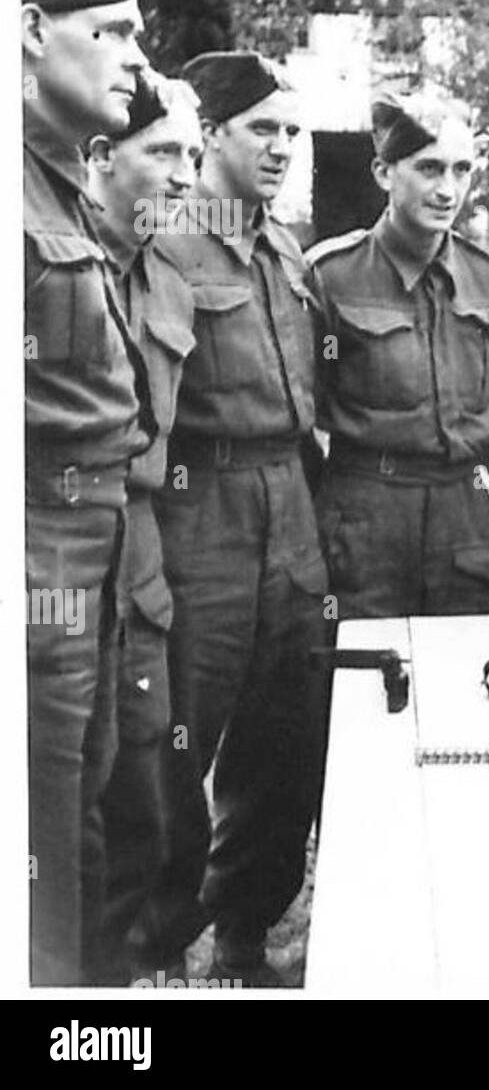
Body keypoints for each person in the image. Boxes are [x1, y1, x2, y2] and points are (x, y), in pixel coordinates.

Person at [134, 51, 329, 986]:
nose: (283, 147)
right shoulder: (165, 242)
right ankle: (158, 941)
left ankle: (246, 929)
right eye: (263, 129)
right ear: (211, 135)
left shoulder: (288, 249)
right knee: (180, 736)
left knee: (283, 730)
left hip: (288, 500)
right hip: (198, 505)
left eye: (292, 130)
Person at [23, 0, 156, 986]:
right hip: (35, 554)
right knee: (38, 843)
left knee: (82, 819)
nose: (137, 57)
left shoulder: (60, 183)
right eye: (109, 30)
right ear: (27, 33)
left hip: (94, 546)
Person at [82, 73, 200, 984]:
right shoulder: (48, 265)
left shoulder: (172, 278)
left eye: (195, 155)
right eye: (165, 152)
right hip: (57, 542)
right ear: (98, 159)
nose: (187, 175)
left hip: (142, 554)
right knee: (61, 803)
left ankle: (109, 991)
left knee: (145, 803)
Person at [306, 88, 489, 619]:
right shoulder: (332, 275)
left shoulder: (486, 278)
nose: (448, 190)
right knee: (364, 684)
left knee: (463, 682)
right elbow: (303, 410)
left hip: (461, 518)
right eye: (429, 168)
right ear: (383, 172)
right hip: (368, 515)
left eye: (462, 170)